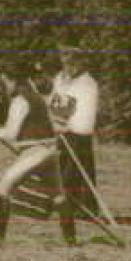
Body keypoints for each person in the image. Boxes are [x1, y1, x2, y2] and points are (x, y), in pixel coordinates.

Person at [0, 69, 64, 246]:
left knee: (1, 190)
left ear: (14, 81)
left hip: (35, 152)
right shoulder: (37, 98)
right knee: (59, 196)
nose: (5, 86)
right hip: (50, 151)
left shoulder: (20, 101)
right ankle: (71, 242)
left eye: (5, 82)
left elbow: (11, 134)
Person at [48, 44, 100, 236]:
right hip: (59, 131)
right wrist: (54, 120)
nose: (68, 67)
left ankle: (83, 208)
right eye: (65, 63)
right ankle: (61, 205)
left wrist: (71, 126)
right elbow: (55, 101)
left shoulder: (87, 84)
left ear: (80, 63)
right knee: (58, 169)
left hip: (77, 134)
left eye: (72, 63)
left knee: (77, 170)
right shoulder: (60, 79)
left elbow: (86, 112)